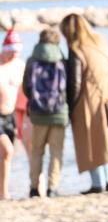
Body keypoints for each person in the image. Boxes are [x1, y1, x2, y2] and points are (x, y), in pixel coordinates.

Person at [60, 14, 108, 194]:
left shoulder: (77, 49)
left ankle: (98, 183)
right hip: (104, 96)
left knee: (89, 142)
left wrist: (70, 106)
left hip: (86, 99)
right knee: (103, 141)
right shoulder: (100, 42)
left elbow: (75, 82)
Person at [21, 28, 69, 198]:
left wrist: (35, 102)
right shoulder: (62, 59)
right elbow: (68, 88)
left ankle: (34, 188)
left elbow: (26, 87)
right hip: (59, 112)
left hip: (38, 113)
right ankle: (52, 188)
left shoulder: (31, 60)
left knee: (37, 151)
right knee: (56, 151)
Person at [0, 28, 26, 200]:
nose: (14, 56)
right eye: (11, 52)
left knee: (6, 156)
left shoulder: (20, 65)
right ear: (4, 49)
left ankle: (3, 192)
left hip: (10, 115)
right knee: (7, 150)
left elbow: (24, 94)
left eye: (17, 52)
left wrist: (22, 120)